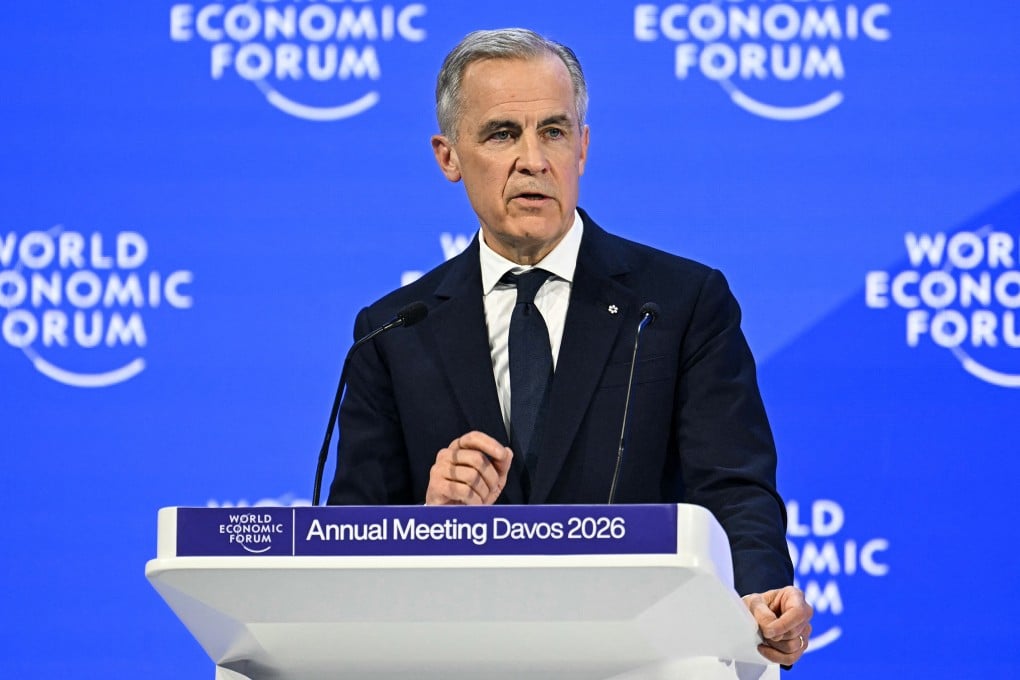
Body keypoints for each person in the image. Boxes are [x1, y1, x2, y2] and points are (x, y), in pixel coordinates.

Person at [328, 28, 812, 666]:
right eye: (502, 134)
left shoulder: (679, 302)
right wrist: (428, 520)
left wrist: (760, 593)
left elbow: (733, 489)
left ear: (583, 147)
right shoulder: (394, 330)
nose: (533, 159)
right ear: (448, 156)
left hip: (642, 660)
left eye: (554, 131)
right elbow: (348, 540)